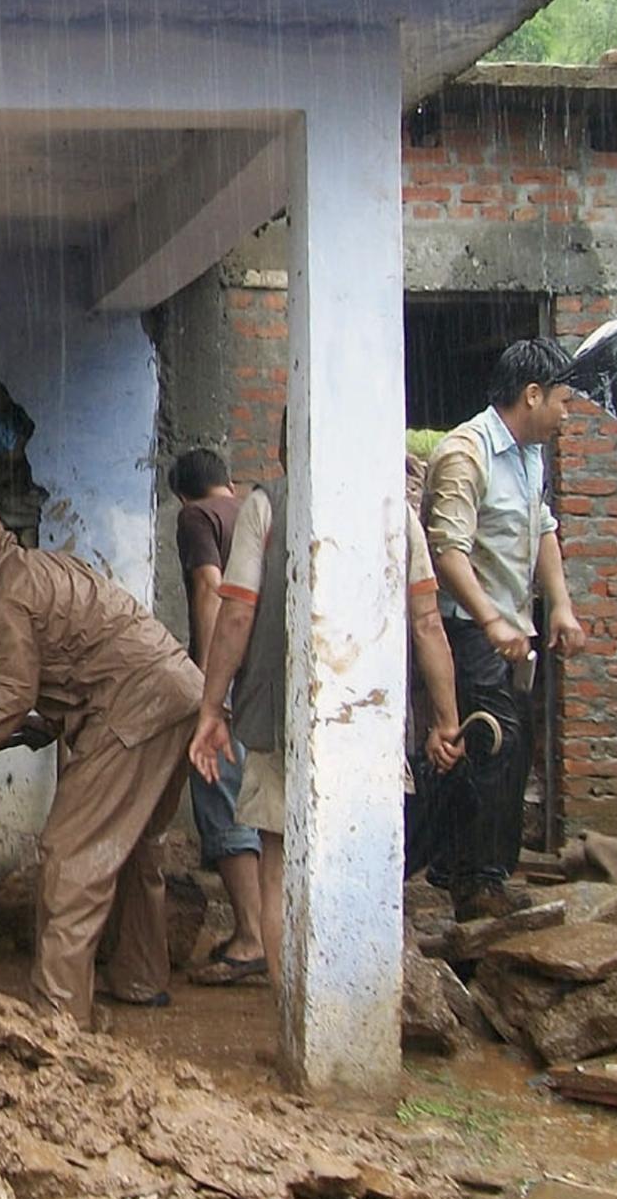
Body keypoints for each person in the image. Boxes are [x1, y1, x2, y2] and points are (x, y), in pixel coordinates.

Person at [0, 492, 199, 1028]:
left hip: (131, 708)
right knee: (129, 846)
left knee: (69, 853)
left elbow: (10, 694)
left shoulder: (5, 596)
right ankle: (139, 974)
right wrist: (39, 726)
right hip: (176, 693)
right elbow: (69, 665)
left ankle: (59, 1016)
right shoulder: (38, 566)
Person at [187, 441, 464, 989]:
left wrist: (212, 708)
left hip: (279, 719)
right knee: (361, 864)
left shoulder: (267, 507)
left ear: (286, 448)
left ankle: (292, 1015)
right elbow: (427, 622)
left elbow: (237, 613)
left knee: (279, 866)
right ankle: (355, 1010)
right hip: (370, 722)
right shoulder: (396, 512)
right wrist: (446, 720)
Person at [423, 339, 586, 920]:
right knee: (492, 743)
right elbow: (446, 552)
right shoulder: (467, 453)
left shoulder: (528, 454)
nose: (567, 414)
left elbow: (542, 528)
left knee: (510, 752)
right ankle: (471, 881)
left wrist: (560, 606)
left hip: (511, 628)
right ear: (532, 395)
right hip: (465, 626)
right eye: (563, 401)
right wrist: (490, 619)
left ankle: (478, 870)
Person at [166, 448, 265, 985]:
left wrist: (210, 685)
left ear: (183, 494)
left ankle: (250, 938)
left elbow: (210, 587)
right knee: (261, 804)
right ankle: (269, 931)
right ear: (228, 480)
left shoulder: (195, 518)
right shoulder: (256, 512)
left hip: (232, 678)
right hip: (271, 681)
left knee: (221, 793)